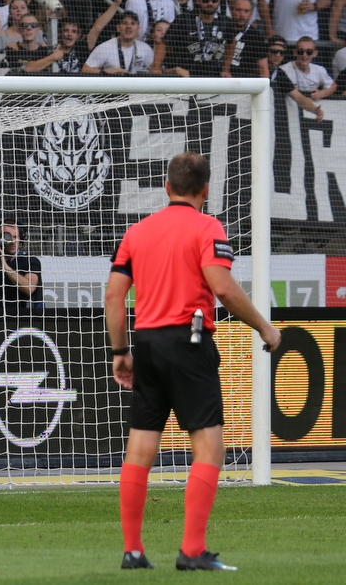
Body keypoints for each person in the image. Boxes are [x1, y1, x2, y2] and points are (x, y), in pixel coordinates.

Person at [106, 152, 281, 573]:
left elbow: (114, 296)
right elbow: (222, 286)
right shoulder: (208, 227)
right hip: (189, 340)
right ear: (205, 190)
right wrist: (265, 328)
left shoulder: (138, 231)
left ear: (167, 187)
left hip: (146, 343)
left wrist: (120, 352)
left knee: (142, 445)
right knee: (208, 444)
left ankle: (133, 552)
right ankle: (192, 551)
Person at [157, 0, 231, 77]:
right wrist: (156, 67)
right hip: (187, 77)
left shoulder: (226, 22)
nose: (210, 3)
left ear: (219, 1)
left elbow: (231, 43)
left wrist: (226, 69)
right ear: (198, 0)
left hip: (214, 77)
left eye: (214, 0)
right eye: (205, 0)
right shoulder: (183, 19)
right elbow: (163, 43)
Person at [272, 36, 337, 122]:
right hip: (289, 115)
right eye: (300, 51)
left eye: (309, 52)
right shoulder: (284, 70)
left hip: (311, 115)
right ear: (295, 52)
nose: (304, 55)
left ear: (315, 53)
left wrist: (322, 93)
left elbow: (333, 86)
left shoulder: (319, 70)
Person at [82, 10, 155, 74]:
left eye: (133, 23)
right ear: (118, 28)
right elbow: (85, 69)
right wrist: (108, 72)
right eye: (124, 23)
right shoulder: (105, 47)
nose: (128, 26)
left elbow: (154, 71)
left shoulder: (145, 49)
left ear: (138, 28)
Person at [222, 0, 267, 78]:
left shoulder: (256, 37)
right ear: (231, 11)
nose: (242, 15)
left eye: (246, 11)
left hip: (242, 84)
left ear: (251, 14)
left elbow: (263, 70)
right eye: (238, 10)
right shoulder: (222, 29)